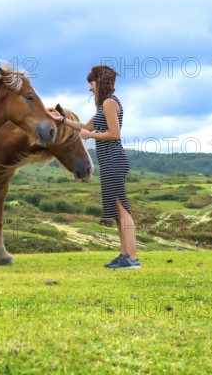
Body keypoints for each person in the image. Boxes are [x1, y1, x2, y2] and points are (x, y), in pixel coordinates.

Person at [48, 65, 140, 269]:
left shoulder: (109, 103)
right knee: (116, 212)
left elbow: (114, 134)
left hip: (113, 159)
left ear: (100, 82)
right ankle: (125, 255)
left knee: (122, 211)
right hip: (108, 160)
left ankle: (132, 258)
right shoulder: (103, 106)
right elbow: (86, 127)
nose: (90, 88)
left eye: (91, 83)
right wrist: (62, 120)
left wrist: (91, 137)